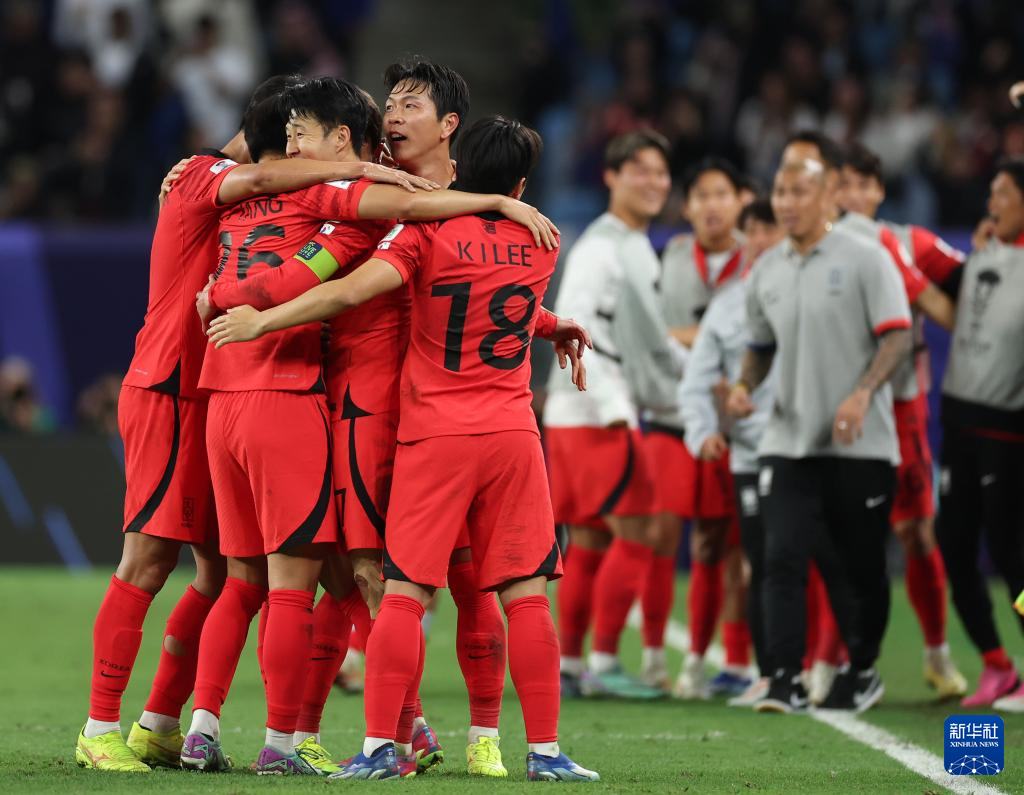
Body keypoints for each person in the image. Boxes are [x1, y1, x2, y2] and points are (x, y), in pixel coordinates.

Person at [198, 61, 583, 778]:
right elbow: (308, 235)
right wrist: (206, 166)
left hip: (435, 416)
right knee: (359, 576)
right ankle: (367, 733)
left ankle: (476, 737)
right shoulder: (370, 187)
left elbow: (472, 290)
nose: (395, 115)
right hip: (371, 406)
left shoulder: (450, 206)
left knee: (460, 580)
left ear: (449, 127)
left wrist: (545, 319)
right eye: (391, 104)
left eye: (411, 104)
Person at [74, 74, 431, 774]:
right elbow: (271, 179)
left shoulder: (269, 196)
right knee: (150, 561)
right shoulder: (204, 177)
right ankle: (100, 726)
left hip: (220, 389)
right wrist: (362, 168)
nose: (297, 144)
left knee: (224, 576)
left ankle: (166, 724)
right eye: (291, 129)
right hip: (173, 385)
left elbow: (284, 184)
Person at [727, 156, 912, 714]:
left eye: (799, 191)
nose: (785, 202)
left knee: (860, 568)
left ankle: (862, 667)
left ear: (829, 194)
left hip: (860, 444)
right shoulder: (767, 270)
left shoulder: (867, 257)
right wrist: (744, 385)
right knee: (779, 556)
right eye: (780, 191)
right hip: (787, 440)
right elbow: (760, 346)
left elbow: (897, 337)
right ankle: (784, 678)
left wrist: (862, 393)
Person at [543, 130, 675, 700]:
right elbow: (576, 323)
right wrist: (615, 406)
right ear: (611, 177)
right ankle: (602, 660)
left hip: (579, 411)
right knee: (641, 529)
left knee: (593, 538)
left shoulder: (631, 244)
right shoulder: (602, 248)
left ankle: (574, 664)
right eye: (639, 170)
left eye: (660, 172)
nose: (653, 182)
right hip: (597, 411)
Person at [837, 140, 968, 699]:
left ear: (879, 191)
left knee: (916, 532)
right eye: (843, 184)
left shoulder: (910, 243)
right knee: (837, 537)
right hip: (838, 406)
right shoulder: (816, 247)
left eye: (864, 184)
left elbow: (969, 296)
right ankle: (828, 660)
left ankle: (937, 653)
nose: (853, 195)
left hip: (902, 405)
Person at [649, 156, 749, 699]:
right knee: (698, 540)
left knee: (744, 548)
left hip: (750, 423)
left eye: (721, 194)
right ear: (686, 207)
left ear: (741, 201)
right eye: (702, 195)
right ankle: (687, 659)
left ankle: (738, 660)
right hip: (687, 419)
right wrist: (708, 340)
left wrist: (692, 337)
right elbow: (658, 332)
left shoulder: (758, 256)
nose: (712, 205)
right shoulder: (673, 257)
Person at [680, 198, 783, 708]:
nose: (760, 240)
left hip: (809, 449)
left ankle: (835, 665)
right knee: (760, 562)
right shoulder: (727, 305)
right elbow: (696, 380)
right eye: (754, 231)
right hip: (748, 452)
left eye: (770, 229)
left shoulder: (815, 291)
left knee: (815, 559)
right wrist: (702, 432)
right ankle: (773, 673)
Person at [937, 159, 1024, 711]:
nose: (991, 204)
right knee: (954, 546)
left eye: (1002, 193)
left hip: (1008, 435)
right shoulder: (982, 256)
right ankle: (996, 664)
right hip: (959, 427)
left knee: (1016, 560)